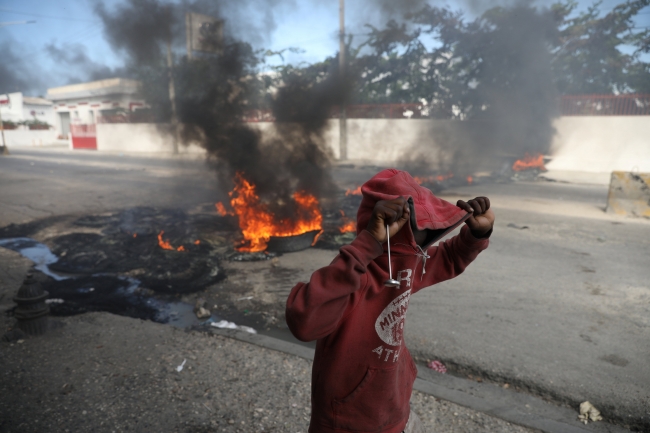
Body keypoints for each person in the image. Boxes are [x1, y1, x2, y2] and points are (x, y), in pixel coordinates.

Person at [286, 168, 495, 433]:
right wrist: (366, 245)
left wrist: (478, 234)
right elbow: (304, 321)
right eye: (419, 227)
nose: (424, 238)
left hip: (394, 411)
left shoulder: (406, 263)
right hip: (346, 423)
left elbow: (448, 258)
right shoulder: (353, 274)